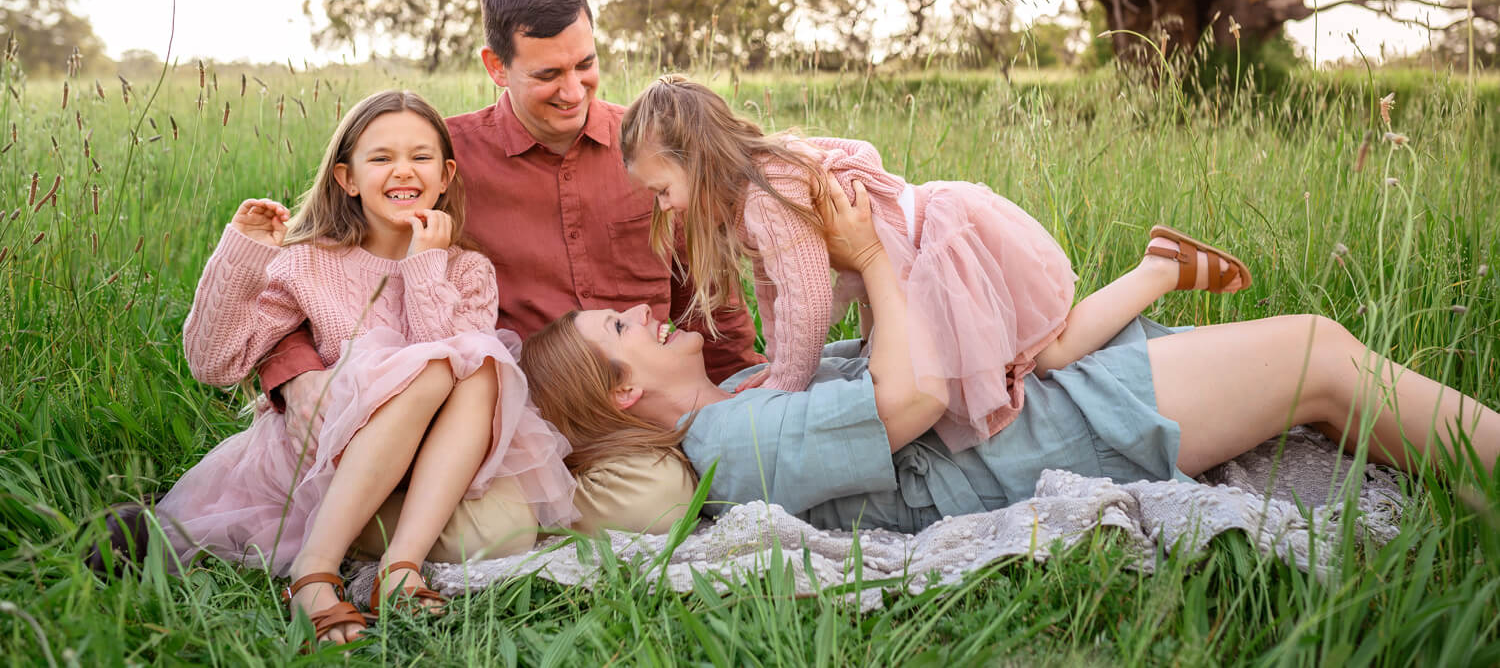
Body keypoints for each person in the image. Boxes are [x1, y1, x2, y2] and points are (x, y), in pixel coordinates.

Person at [519, 178, 1500, 534]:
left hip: (1028, 400)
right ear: (623, 390)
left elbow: (877, 350)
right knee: (1319, 357)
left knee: (1322, 377)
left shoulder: (739, 389)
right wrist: (868, 255)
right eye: (615, 328)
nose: (636, 314)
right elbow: (905, 402)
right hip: (1037, 438)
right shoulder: (732, 442)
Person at [258, 0, 763, 536]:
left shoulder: (650, 152)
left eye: (586, 65)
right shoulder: (441, 161)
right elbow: (322, 264)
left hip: (634, 420)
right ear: (496, 66)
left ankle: (451, 519)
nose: (574, 91)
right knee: (499, 531)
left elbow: (710, 300)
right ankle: (332, 517)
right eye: (548, 73)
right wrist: (293, 376)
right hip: (505, 424)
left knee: (659, 499)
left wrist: (746, 399)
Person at [620, 74, 1252, 449]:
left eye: (661, 189)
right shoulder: (754, 189)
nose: (664, 205)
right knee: (1022, 360)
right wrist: (778, 358)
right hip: (902, 264)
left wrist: (788, 380)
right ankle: (1159, 274)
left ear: (694, 158)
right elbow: (778, 293)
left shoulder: (767, 192)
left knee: (1047, 354)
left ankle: (1160, 267)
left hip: (934, 252)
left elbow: (809, 295)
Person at [154, 90, 576, 645]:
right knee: (434, 367)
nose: (404, 170)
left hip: (433, 459)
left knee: (479, 367)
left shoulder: (467, 269)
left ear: (446, 174)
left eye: (421, 157)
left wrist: (426, 265)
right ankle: (314, 573)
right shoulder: (310, 262)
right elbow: (214, 363)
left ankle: (398, 570)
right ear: (347, 177)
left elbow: (453, 363)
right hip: (328, 450)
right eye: (381, 158)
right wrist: (242, 256)